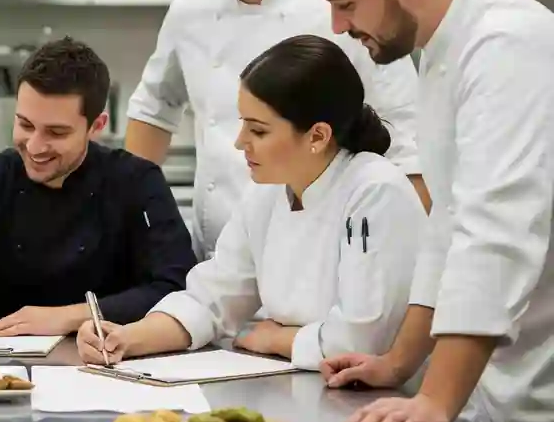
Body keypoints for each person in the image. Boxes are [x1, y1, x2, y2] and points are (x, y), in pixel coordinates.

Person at [293, 0, 554, 422]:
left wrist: (437, 398)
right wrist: (402, 364)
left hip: (541, 400)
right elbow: (449, 229)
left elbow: (496, 233)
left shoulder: (506, 45)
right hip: (498, 390)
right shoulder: (440, 52)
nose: (338, 27)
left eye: (345, 4)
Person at [125, 0, 428, 262]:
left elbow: (406, 137)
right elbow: (154, 108)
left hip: (322, 253)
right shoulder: (190, 11)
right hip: (215, 255)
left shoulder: (336, 6)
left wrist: (406, 259)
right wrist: (126, 213)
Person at [78, 34, 424, 371]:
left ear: (317, 135)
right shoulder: (267, 193)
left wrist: (275, 340)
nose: (240, 143)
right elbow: (211, 298)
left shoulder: (375, 192)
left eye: (258, 131)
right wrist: (127, 338)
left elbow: (362, 341)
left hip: (385, 405)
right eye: (243, 125)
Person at [0, 37, 196, 347]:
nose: (35, 147)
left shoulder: (137, 182)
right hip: (8, 365)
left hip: (114, 362)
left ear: (96, 126)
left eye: (56, 132)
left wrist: (70, 316)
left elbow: (174, 288)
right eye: (25, 125)